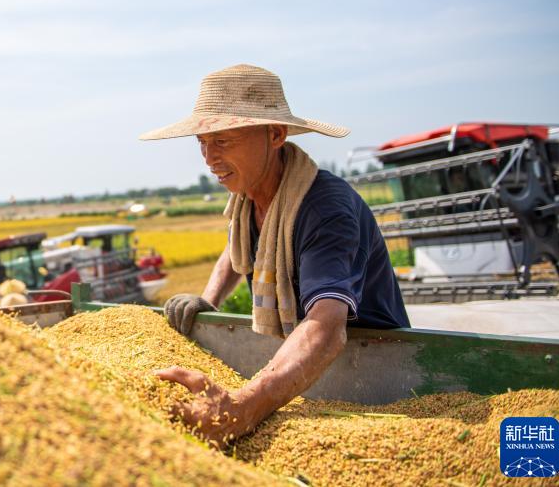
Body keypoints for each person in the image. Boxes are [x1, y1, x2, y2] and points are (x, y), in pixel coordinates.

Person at [138, 63, 409, 448]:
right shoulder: (251, 199)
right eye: (202, 143)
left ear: (276, 134)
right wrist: (209, 299)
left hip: (379, 375)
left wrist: (243, 408)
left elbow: (327, 327)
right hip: (299, 371)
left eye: (224, 141)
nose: (209, 158)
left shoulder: (324, 209)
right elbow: (239, 249)